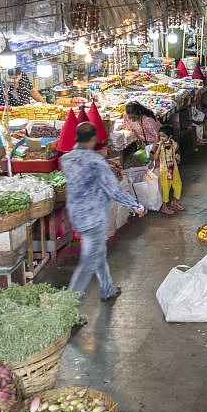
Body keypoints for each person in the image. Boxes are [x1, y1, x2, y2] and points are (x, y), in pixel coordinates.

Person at [62, 122, 146, 302]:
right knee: (88, 262)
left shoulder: (67, 159)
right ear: (93, 139)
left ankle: (107, 288)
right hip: (93, 217)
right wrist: (136, 206)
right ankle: (67, 307)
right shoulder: (96, 162)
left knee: (97, 252)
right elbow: (114, 190)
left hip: (76, 215)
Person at [151, 125, 184, 214]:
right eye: (160, 136)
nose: (161, 138)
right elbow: (155, 157)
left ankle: (175, 201)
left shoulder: (174, 144)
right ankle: (164, 206)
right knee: (166, 188)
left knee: (178, 185)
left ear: (170, 137)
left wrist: (178, 157)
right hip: (164, 170)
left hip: (174, 169)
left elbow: (176, 154)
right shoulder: (158, 145)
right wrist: (159, 147)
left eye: (164, 136)